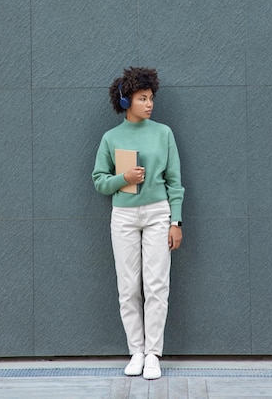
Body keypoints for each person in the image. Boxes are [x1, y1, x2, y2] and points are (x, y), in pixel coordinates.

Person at [92, 66, 184, 380]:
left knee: (157, 285)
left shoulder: (164, 133)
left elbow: (175, 182)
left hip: (159, 213)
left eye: (150, 98)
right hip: (124, 217)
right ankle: (136, 351)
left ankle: (153, 354)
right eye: (142, 98)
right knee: (128, 287)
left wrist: (177, 221)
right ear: (126, 101)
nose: (149, 103)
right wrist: (124, 178)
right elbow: (99, 182)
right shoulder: (110, 138)